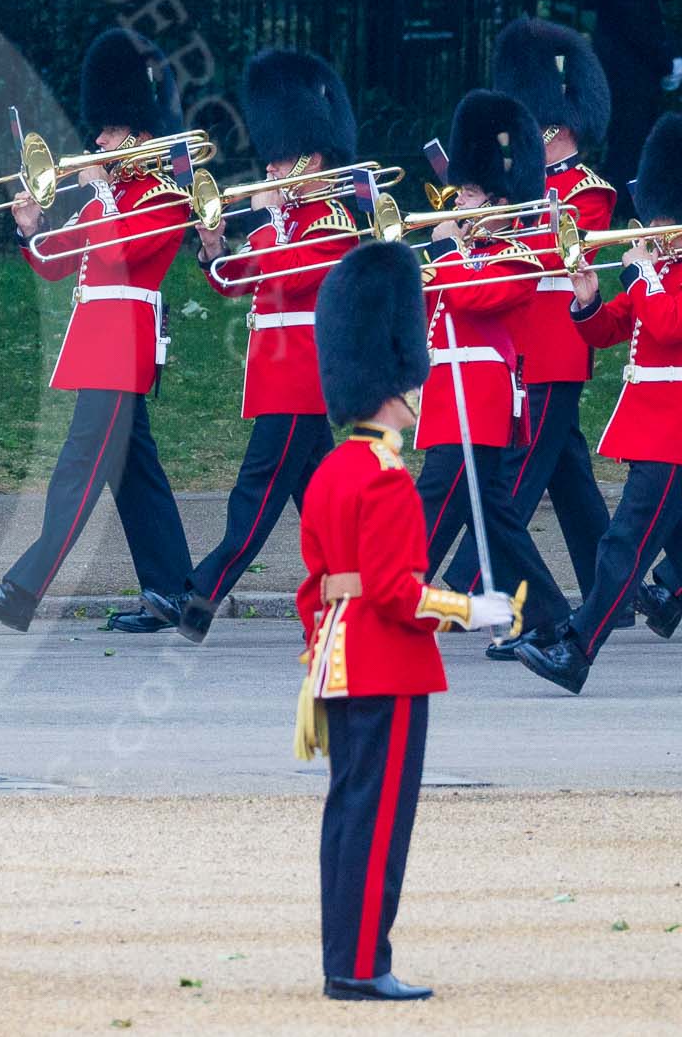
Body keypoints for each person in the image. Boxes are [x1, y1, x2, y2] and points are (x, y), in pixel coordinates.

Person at [295, 241, 517, 1002]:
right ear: (399, 385)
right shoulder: (386, 478)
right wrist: (470, 607)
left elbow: (313, 590)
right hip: (387, 664)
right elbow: (399, 593)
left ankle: (344, 958)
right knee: (380, 820)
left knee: (349, 813)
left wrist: (325, 650)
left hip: (339, 661)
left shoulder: (330, 469)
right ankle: (361, 965)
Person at [0, 28, 193, 632]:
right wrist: (28, 225)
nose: (97, 142)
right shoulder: (105, 198)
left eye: (110, 132)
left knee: (78, 472)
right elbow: (55, 260)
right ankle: (177, 596)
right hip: (100, 351)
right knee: (135, 476)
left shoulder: (164, 197)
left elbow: (127, 256)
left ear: (139, 135)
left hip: (123, 350)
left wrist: (100, 195)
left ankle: (22, 591)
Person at [131, 49, 360, 640]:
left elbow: (286, 277)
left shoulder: (333, 219)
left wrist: (265, 222)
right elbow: (237, 283)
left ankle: (198, 600)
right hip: (281, 375)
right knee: (323, 511)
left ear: (312, 156)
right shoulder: (281, 223)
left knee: (253, 499)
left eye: (283, 161)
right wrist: (212, 248)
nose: (274, 171)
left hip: (302, 376)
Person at [441, 20, 616, 646]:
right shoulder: (523, 189)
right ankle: (619, 591)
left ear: (558, 124)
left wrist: (489, 229)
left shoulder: (588, 192)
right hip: (516, 351)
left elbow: (548, 255)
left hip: (552, 353)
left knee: (507, 490)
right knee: (567, 480)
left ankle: (484, 596)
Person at [519, 113, 682, 694]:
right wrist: (587, 301)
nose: (651, 226)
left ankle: (578, 647)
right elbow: (616, 329)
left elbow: (668, 327)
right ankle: (668, 596)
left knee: (623, 543)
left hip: (672, 428)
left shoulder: (661, 273)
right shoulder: (663, 268)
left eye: (660, 215)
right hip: (655, 422)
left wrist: (642, 276)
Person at [412, 91, 573, 654]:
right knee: (498, 519)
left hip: (478, 399)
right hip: (449, 395)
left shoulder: (519, 254)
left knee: (434, 498)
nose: (459, 201)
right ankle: (551, 614)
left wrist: (450, 252)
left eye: (472, 192)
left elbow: (477, 300)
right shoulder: (461, 252)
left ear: (499, 200)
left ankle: (388, 601)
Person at [589, 0, 680, 215]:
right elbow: (635, 21)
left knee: (637, 139)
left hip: (636, 69)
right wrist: (666, 59)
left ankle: (632, 206)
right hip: (627, 72)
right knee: (629, 142)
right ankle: (623, 209)